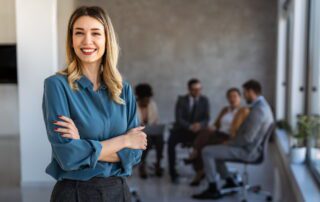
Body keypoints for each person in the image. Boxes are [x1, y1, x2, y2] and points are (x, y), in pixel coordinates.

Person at [42, 6, 147, 202]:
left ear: (107, 39)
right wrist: (124, 141)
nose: (87, 41)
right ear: (71, 41)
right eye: (79, 33)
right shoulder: (56, 86)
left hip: (119, 191)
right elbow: (68, 156)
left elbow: (136, 153)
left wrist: (82, 146)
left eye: (96, 33)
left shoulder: (123, 90)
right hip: (75, 192)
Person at [192, 80, 274, 200]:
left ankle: (212, 189)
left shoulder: (259, 110)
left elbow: (247, 138)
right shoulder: (262, 106)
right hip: (248, 147)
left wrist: (229, 143)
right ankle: (230, 181)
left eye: (244, 93)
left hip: (248, 151)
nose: (244, 95)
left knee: (207, 151)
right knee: (214, 150)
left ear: (251, 92)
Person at [186, 88, 249, 186]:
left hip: (229, 137)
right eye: (230, 97)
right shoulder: (225, 109)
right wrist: (213, 127)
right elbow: (217, 123)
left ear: (240, 98)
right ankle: (196, 154)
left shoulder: (243, 111)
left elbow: (243, 129)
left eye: (235, 96)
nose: (232, 99)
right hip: (218, 134)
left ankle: (198, 168)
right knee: (204, 130)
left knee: (203, 148)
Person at [167, 78, 210, 183]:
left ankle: (200, 170)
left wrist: (199, 125)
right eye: (195, 89)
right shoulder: (181, 100)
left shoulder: (205, 100)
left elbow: (206, 118)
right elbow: (179, 119)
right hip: (182, 130)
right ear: (189, 89)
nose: (198, 92)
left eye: (199, 89)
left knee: (205, 141)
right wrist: (190, 126)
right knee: (170, 142)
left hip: (198, 131)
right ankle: (173, 172)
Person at [135, 83, 164, 179]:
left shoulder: (152, 104)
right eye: (145, 99)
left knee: (160, 140)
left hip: (150, 132)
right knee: (148, 141)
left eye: (148, 99)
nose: (147, 101)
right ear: (139, 98)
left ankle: (158, 164)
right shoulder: (132, 106)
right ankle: (142, 165)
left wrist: (153, 127)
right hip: (137, 133)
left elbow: (155, 120)